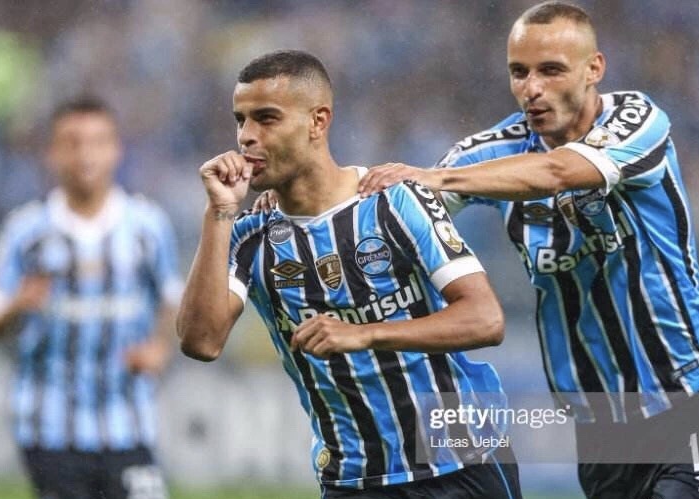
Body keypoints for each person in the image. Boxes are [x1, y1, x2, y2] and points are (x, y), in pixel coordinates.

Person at [351, 2, 699, 498]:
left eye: (550, 70)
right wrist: (299, 197)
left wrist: (434, 178)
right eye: (519, 72)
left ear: (594, 69)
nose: (532, 88)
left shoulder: (638, 119)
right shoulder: (493, 153)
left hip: (695, 391)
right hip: (602, 429)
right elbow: (392, 207)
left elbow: (559, 171)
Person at [177, 50, 522, 498]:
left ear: (317, 121)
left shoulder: (395, 202)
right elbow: (201, 342)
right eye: (240, 120)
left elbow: (486, 319)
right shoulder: (248, 235)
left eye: (266, 118)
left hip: (462, 462)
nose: (246, 136)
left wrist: (364, 334)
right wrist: (219, 212)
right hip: (354, 478)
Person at [0, 96, 180, 499]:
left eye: (97, 142)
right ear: (52, 153)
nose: (85, 154)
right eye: (72, 143)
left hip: (128, 421)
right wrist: (17, 306)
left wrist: (160, 347)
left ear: (117, 150)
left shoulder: (147, 227)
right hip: (51, 427)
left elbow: (172, 299)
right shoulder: (26, 231)